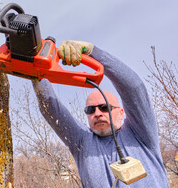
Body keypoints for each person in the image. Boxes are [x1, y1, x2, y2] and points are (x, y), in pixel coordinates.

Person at [32, 40, 169, 187]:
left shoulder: (140, 133)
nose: (97, 113)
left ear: (121, 112)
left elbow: (134, 89)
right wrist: (36, 65)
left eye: (105, 107)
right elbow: (52, 109)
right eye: (90, 110)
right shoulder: (82, 142)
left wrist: (94, 53)